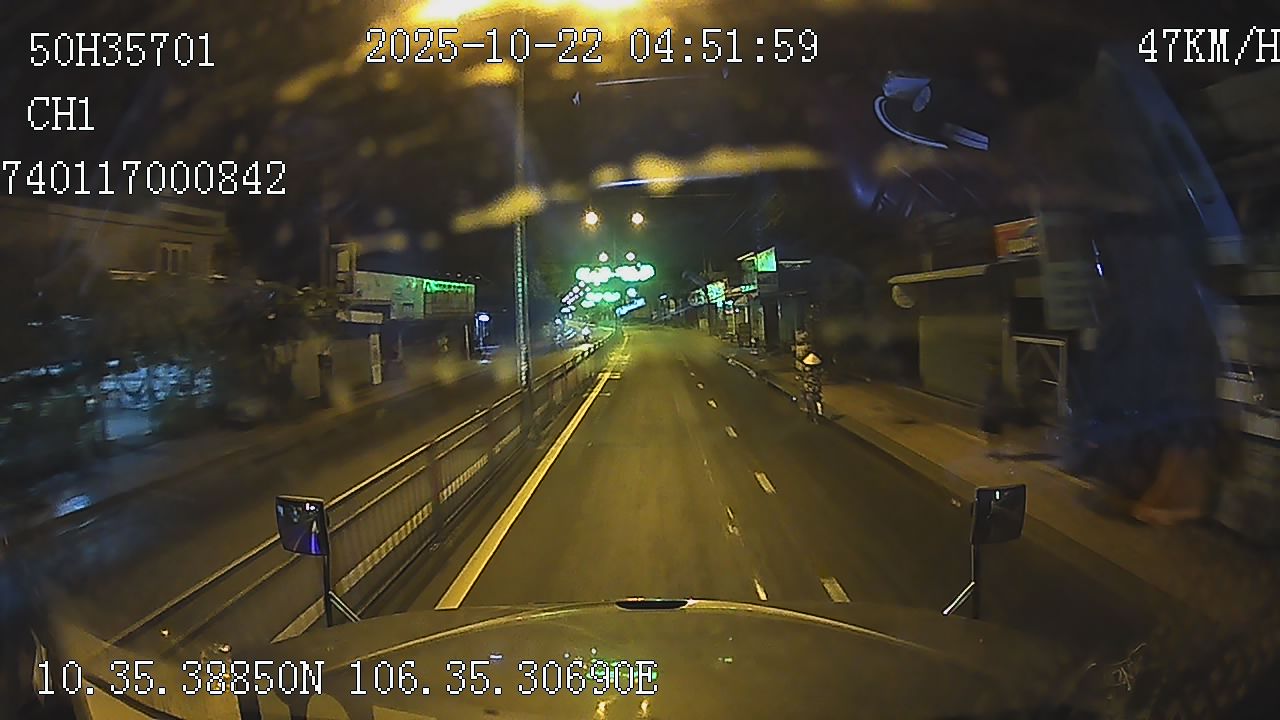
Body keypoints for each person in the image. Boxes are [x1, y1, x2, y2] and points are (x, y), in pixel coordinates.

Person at [980, 361, 1009, 459]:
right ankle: (993, 452)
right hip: (991, 410)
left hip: (994, 411)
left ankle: (996, 452)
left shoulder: (997, 381)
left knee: (995, 434)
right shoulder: (992, 380)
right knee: (990, 433)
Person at [801, 352, 824, 422]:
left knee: (810, 403)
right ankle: (815, 415)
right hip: (814, 390)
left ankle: (813, 416)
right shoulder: (818, 372)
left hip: (811, 390)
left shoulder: (810, 372)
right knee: (814, 403)